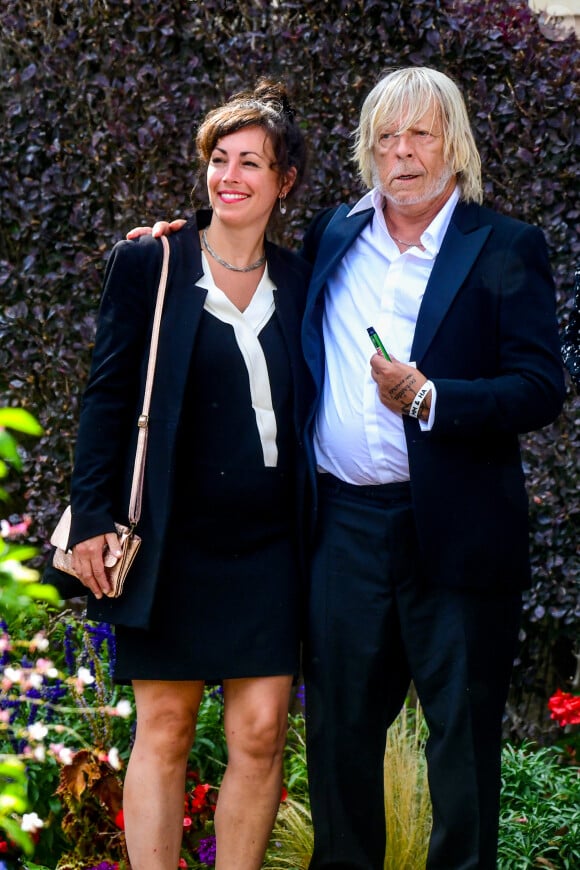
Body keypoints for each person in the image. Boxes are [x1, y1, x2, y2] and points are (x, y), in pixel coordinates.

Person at [129, 67, 566, 869]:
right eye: (385, 137)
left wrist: (434, 396)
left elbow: (543, 386)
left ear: (454, 146)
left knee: (461, 747)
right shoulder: (333, 236)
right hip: (343, 530)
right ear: (366, 150)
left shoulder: (507, 246)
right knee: (339, 746)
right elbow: (235, 242)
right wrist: (169, 237)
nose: (401, 153)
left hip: (458, 535)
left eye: (420, 134)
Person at [58, 80, 311, 870]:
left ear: (284, 181)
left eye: (250, 163)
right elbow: (106, 399)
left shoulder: (305, 280)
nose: (229, 176)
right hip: (170, 538)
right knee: (163, 730)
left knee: (262, 733)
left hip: (270, 542)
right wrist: (93, 513)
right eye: (218, 159)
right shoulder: (151, 263)